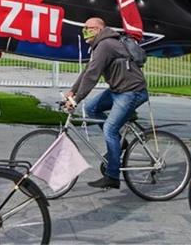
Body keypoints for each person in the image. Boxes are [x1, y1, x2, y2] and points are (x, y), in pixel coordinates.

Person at [64, 17, 149, 189]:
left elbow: (92, 76)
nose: (84, 31)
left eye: (88, 28)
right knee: (90, 108)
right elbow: (88, 70)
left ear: (97, 29)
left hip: (132, 91)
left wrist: (76, 99)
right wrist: (73, 91)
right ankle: (119, 141)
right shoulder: (101, 45)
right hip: (119, 90)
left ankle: (112, 176)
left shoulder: (106, 44)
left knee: (109, 129)